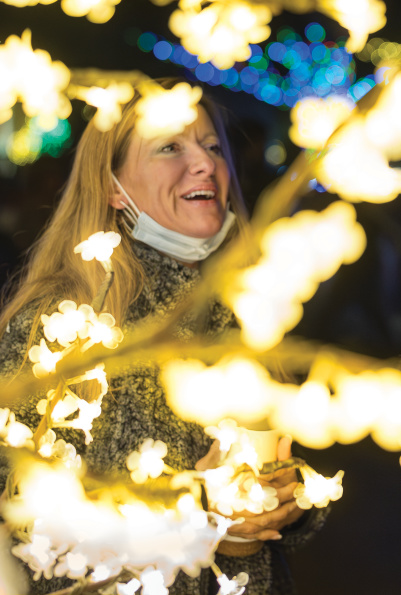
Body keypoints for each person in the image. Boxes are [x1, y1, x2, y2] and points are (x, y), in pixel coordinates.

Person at [0, 81, 327, 594]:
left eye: (214, 146)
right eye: (171, 147)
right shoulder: (64, 320)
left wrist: (286, 502)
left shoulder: (254, 306)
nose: (206, 164)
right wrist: (197, 510)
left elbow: (290, 482)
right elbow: (18, 508)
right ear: (112, 186)